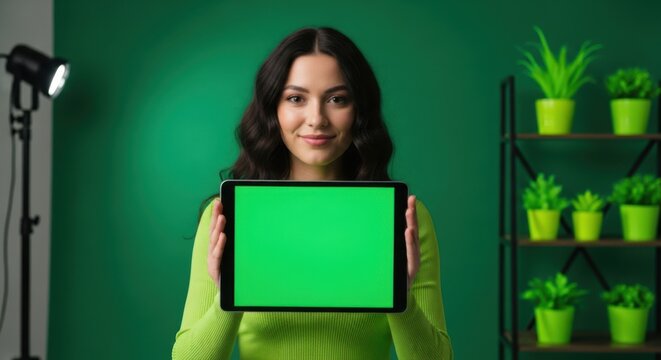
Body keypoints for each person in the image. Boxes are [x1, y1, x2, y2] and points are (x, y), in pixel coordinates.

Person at [172, 27, 453, 360]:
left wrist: (401, 301)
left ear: (359, 110)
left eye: (337, 99)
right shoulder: (226, 217)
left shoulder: (403, 218)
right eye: (296, 98)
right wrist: (227, 298)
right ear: (273, 109)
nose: (317, 119)